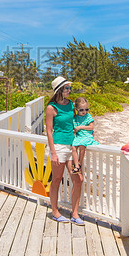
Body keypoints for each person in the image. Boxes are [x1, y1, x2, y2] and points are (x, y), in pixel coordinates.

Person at [45, 76, 84, 225]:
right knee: (56, 180)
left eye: (69, 88)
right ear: (59, 90)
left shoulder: (70, 105)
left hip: (72, 146)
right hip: (59, 147)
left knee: (78, 179)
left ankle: (75, 214)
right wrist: (53, 153)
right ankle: (55, 212)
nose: (69, 90)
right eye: (66, 88)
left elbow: (79, 118)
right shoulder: (51, 108)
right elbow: (49, 131)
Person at [71, 96, 98, 176]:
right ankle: (76, 164)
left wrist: (80, 127)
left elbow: (91, 127)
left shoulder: (88, 116)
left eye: (86, 109)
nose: (84, 111)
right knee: (73, 147)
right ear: (77, 109)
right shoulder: (75, 118)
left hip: (87, 136)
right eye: (81, 110)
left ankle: (79, 163)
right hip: (79, 137)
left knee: (82, 146)